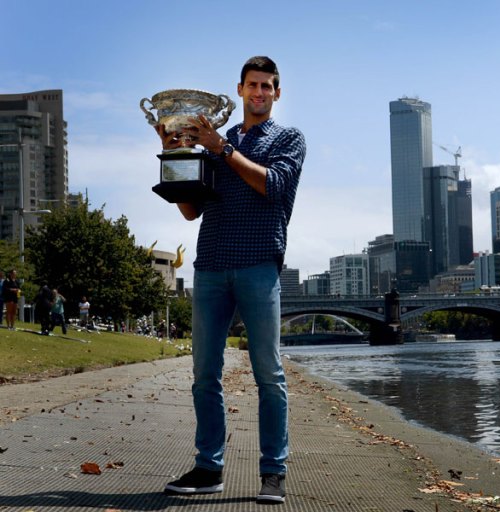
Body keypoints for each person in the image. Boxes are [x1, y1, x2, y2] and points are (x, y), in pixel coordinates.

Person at [159, 56, 305, 504]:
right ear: (238, 91)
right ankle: (209, 468)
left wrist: (221, 149)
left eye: (267, 86)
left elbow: (272, 187)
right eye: (252, 85)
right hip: (212, 265)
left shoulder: (288, 139)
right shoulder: (214, 143)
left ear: (277, 93)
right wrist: (176, 149)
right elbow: (191, 210)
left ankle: (273, 473)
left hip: (260, 263)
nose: (259, 93)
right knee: (204, 373)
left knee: (269, 374)